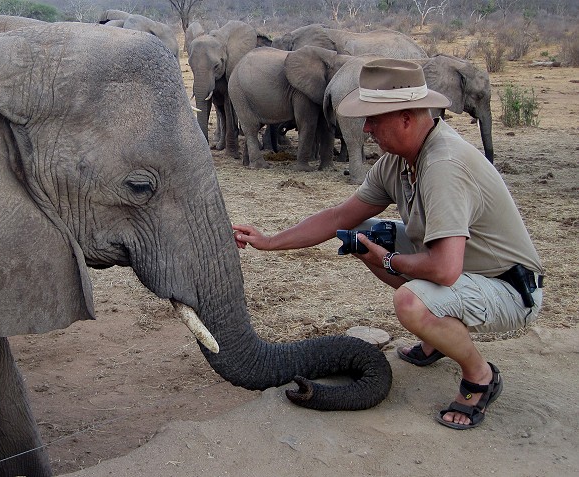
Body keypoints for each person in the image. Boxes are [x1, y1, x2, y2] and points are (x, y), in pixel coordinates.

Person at [232, 58, 544, 430]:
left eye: (373, 119)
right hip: (468, 270)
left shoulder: (443, 164)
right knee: (364, 231)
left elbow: (445, 269)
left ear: (406, 118)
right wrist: (269, 241)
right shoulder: (398, 162)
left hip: (509, 289)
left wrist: (390, 260)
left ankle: (480, 376)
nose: (366, 128)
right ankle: (438, 339)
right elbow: (338, 219)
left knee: (410, 302)